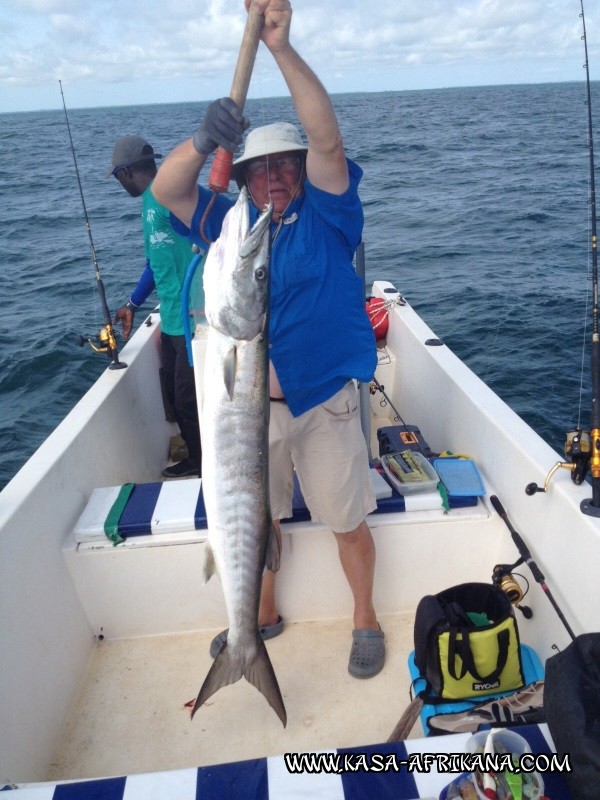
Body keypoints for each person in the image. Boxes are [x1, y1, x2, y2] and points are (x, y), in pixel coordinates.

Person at [152, 0, 384, 678]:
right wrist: (200, 144)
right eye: (261, 168)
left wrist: (280, 47)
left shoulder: (330, 214)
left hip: (321, 404)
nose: (275, 176)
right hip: (248, 416)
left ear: (300, 170)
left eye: (287, 164)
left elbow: (329, 142)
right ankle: (259, 617)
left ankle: (363, 617)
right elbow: (169, 192)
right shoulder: (233, 228)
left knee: (345, 520)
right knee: (259, 520)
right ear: (246, 177)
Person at [107, 135, 213, 479]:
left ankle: (205, 462)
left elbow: (208, 233)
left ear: (125, 172)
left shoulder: (171, 196)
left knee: (187, 397)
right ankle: (198, 455)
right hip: (169, 318)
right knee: (172, 393)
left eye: (117, 177)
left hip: (194, 317)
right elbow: (156, 262)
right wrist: (132, 303)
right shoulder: (148, 205)